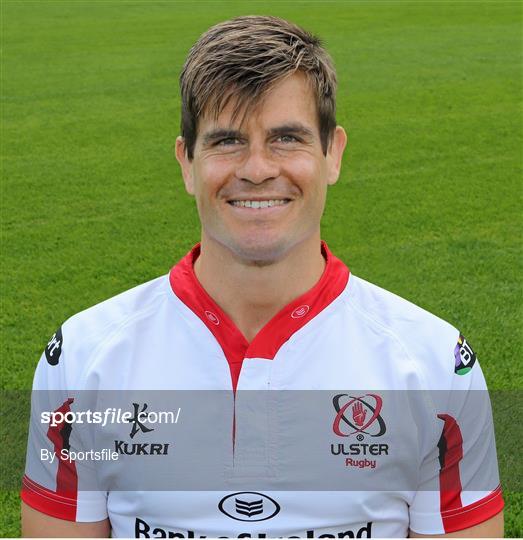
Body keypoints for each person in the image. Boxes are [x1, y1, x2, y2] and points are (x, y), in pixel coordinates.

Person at [21, 15, 504, 538]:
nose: (256, 169)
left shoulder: (434, 364)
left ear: (332, 154)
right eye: (227, 141)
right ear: (187, 162)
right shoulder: (82, 359)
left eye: (286, 139)